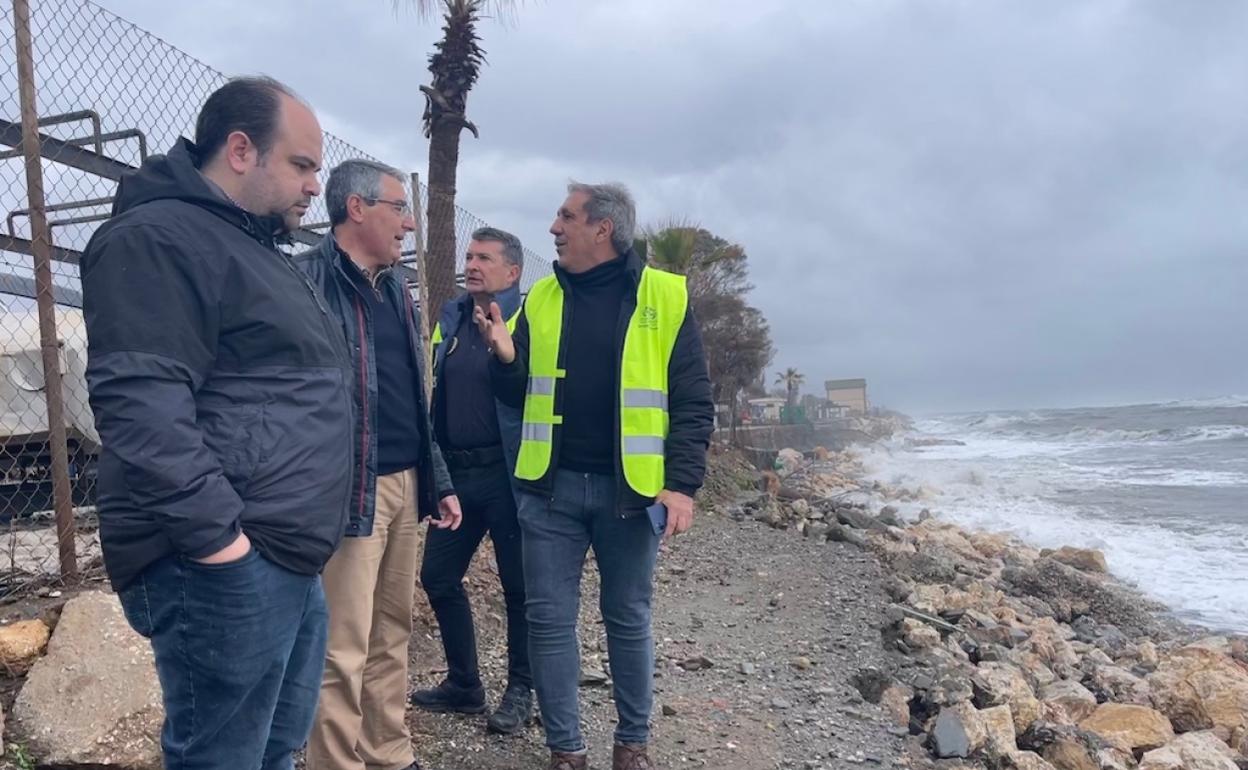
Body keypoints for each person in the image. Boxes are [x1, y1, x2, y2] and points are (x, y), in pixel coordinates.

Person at [82, 76, 353, 770]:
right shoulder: (157, 239)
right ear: (240, 150)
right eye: (301, 164)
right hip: (226, 565)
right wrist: (221, 548)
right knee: (222, 758)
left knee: (274, 752)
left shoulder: (254, 248)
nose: (313, 186)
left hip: (283, 557)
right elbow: (142, 408)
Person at [475, 182, 715, 770]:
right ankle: (567, 752)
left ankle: (631, 745)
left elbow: (692, 399)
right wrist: (504, 356)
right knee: (548, 619)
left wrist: (682, 485)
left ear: (602, 229)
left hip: (630, 493)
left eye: (566, 217)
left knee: (627, 617)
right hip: (550, 490)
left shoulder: (665, 296)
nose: (554, 227)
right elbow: (513, 391)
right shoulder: (543, 298)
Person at [294, 159, 462, 770]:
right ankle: (336, 763)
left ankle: (388, 753)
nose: (411, 224)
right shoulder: (306, 281)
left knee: (393, 630)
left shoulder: (394, 287)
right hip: (348, 489)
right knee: (343, 643)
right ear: (357, 208)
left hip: (404, 482)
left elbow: (413, 395)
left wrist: (434, 478)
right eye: (399, 208)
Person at [410, 227, 533, 735]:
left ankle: (522, 689)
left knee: (519, 588)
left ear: (513, 272)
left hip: (507, 477)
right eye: (469, 255)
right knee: (438, 577)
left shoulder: (528, 320)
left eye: (484, 257)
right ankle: (465, 685)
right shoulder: (452, 318)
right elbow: (437, 396)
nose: (472, 264)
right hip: (457, 477)